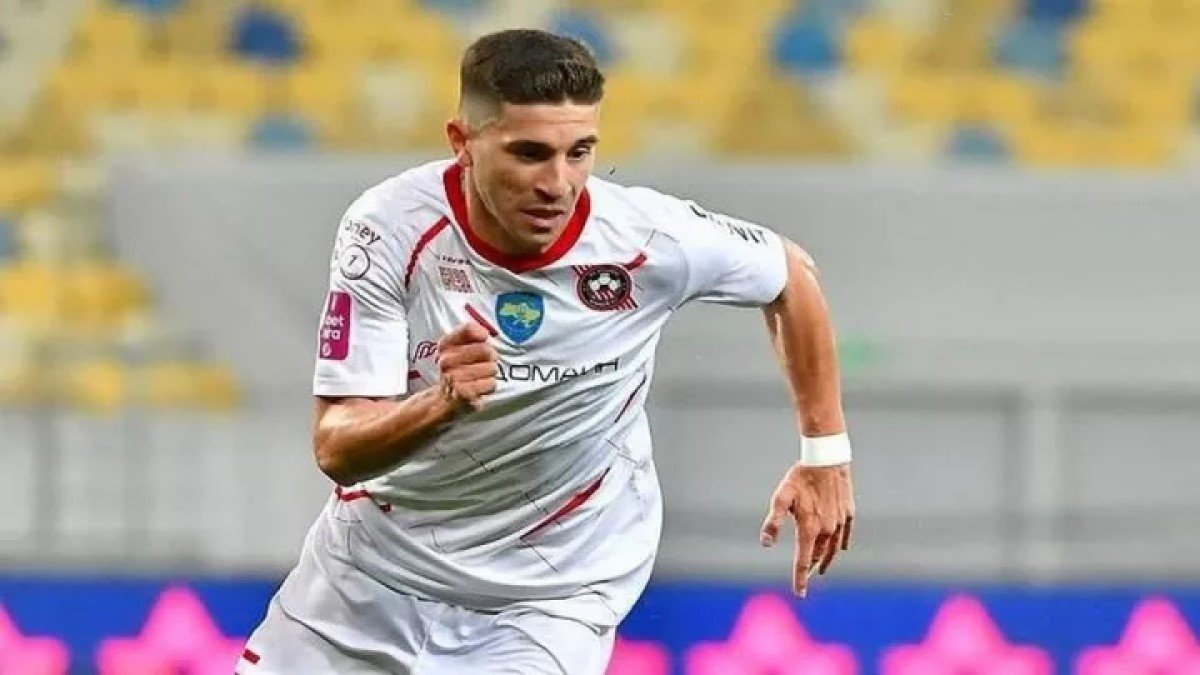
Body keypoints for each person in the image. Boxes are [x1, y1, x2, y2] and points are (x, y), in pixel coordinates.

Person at [240, 28, 855, 675]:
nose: (558, 184)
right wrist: (440, 405)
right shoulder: (388, 228)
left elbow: (791, 275)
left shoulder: (646, 237)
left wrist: (826, 453)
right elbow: (337, 448)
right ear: (462, 143)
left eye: (579, 152)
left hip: (550, 594)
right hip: (372, 573)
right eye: (530, 153)